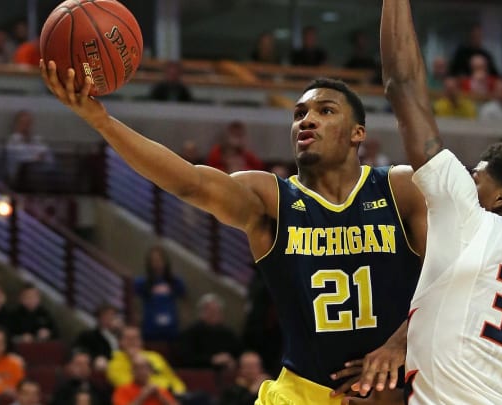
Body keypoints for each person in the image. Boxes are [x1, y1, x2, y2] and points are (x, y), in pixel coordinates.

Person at [40, 43, 429, 403]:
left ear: (358, 133)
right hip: (302, 392)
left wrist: (400, 342)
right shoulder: (272, 199)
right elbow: (190, 182)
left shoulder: (401, 188)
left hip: (400, 389)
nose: (307, 120)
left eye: (325, 111)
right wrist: (103, 121)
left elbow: (456, 278)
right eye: (299, 114)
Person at [364, 1, 502, 403]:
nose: (468, 179)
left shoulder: (470, 218)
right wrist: (408, 340)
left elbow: (402, 86)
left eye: (476, 176)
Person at [107, 325, 186, 396]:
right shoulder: (114, 364)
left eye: (136, 338)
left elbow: (173, 378)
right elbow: (131, 387)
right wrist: (134, 359)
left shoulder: (155, 356)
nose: (132, 342)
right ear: (120, 342)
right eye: (128, 339)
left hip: (170, 395)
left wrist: (179, 391)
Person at [176, 293, 242, 370]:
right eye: (211, 311)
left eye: (217, 311)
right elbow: (186, 358)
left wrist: (233, 361)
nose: (214, 315)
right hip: (200, 373)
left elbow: (238, 353)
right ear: (201, 312)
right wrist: (212, 359)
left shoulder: (229, 333)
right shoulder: (190, 333)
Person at [135, 246, 186, 341]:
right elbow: (134, 301)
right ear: (149, 263)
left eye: (159, 259)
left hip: (171, 330)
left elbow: (184, 297)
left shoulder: (174, 281)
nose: (157, 263)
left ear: (165, 261)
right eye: (154, 260)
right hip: (150, 331)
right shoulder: (142, 282)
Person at [112, 354, 179, 405]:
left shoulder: (159, 390)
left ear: (151, 371)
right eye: (137, 368)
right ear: (132, 371)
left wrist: (160, 396)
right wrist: (143, 396)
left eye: (145, 368)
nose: (142, 372)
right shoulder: (122, 390)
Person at [73, 303, 121, 371]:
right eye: (107, 315)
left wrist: (120, 331)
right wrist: (95, 359)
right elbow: (79, 350)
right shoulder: (89, 335)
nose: (111, 318)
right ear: (99, 317)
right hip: (104, 368)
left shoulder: (120, 334)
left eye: (113, 315)